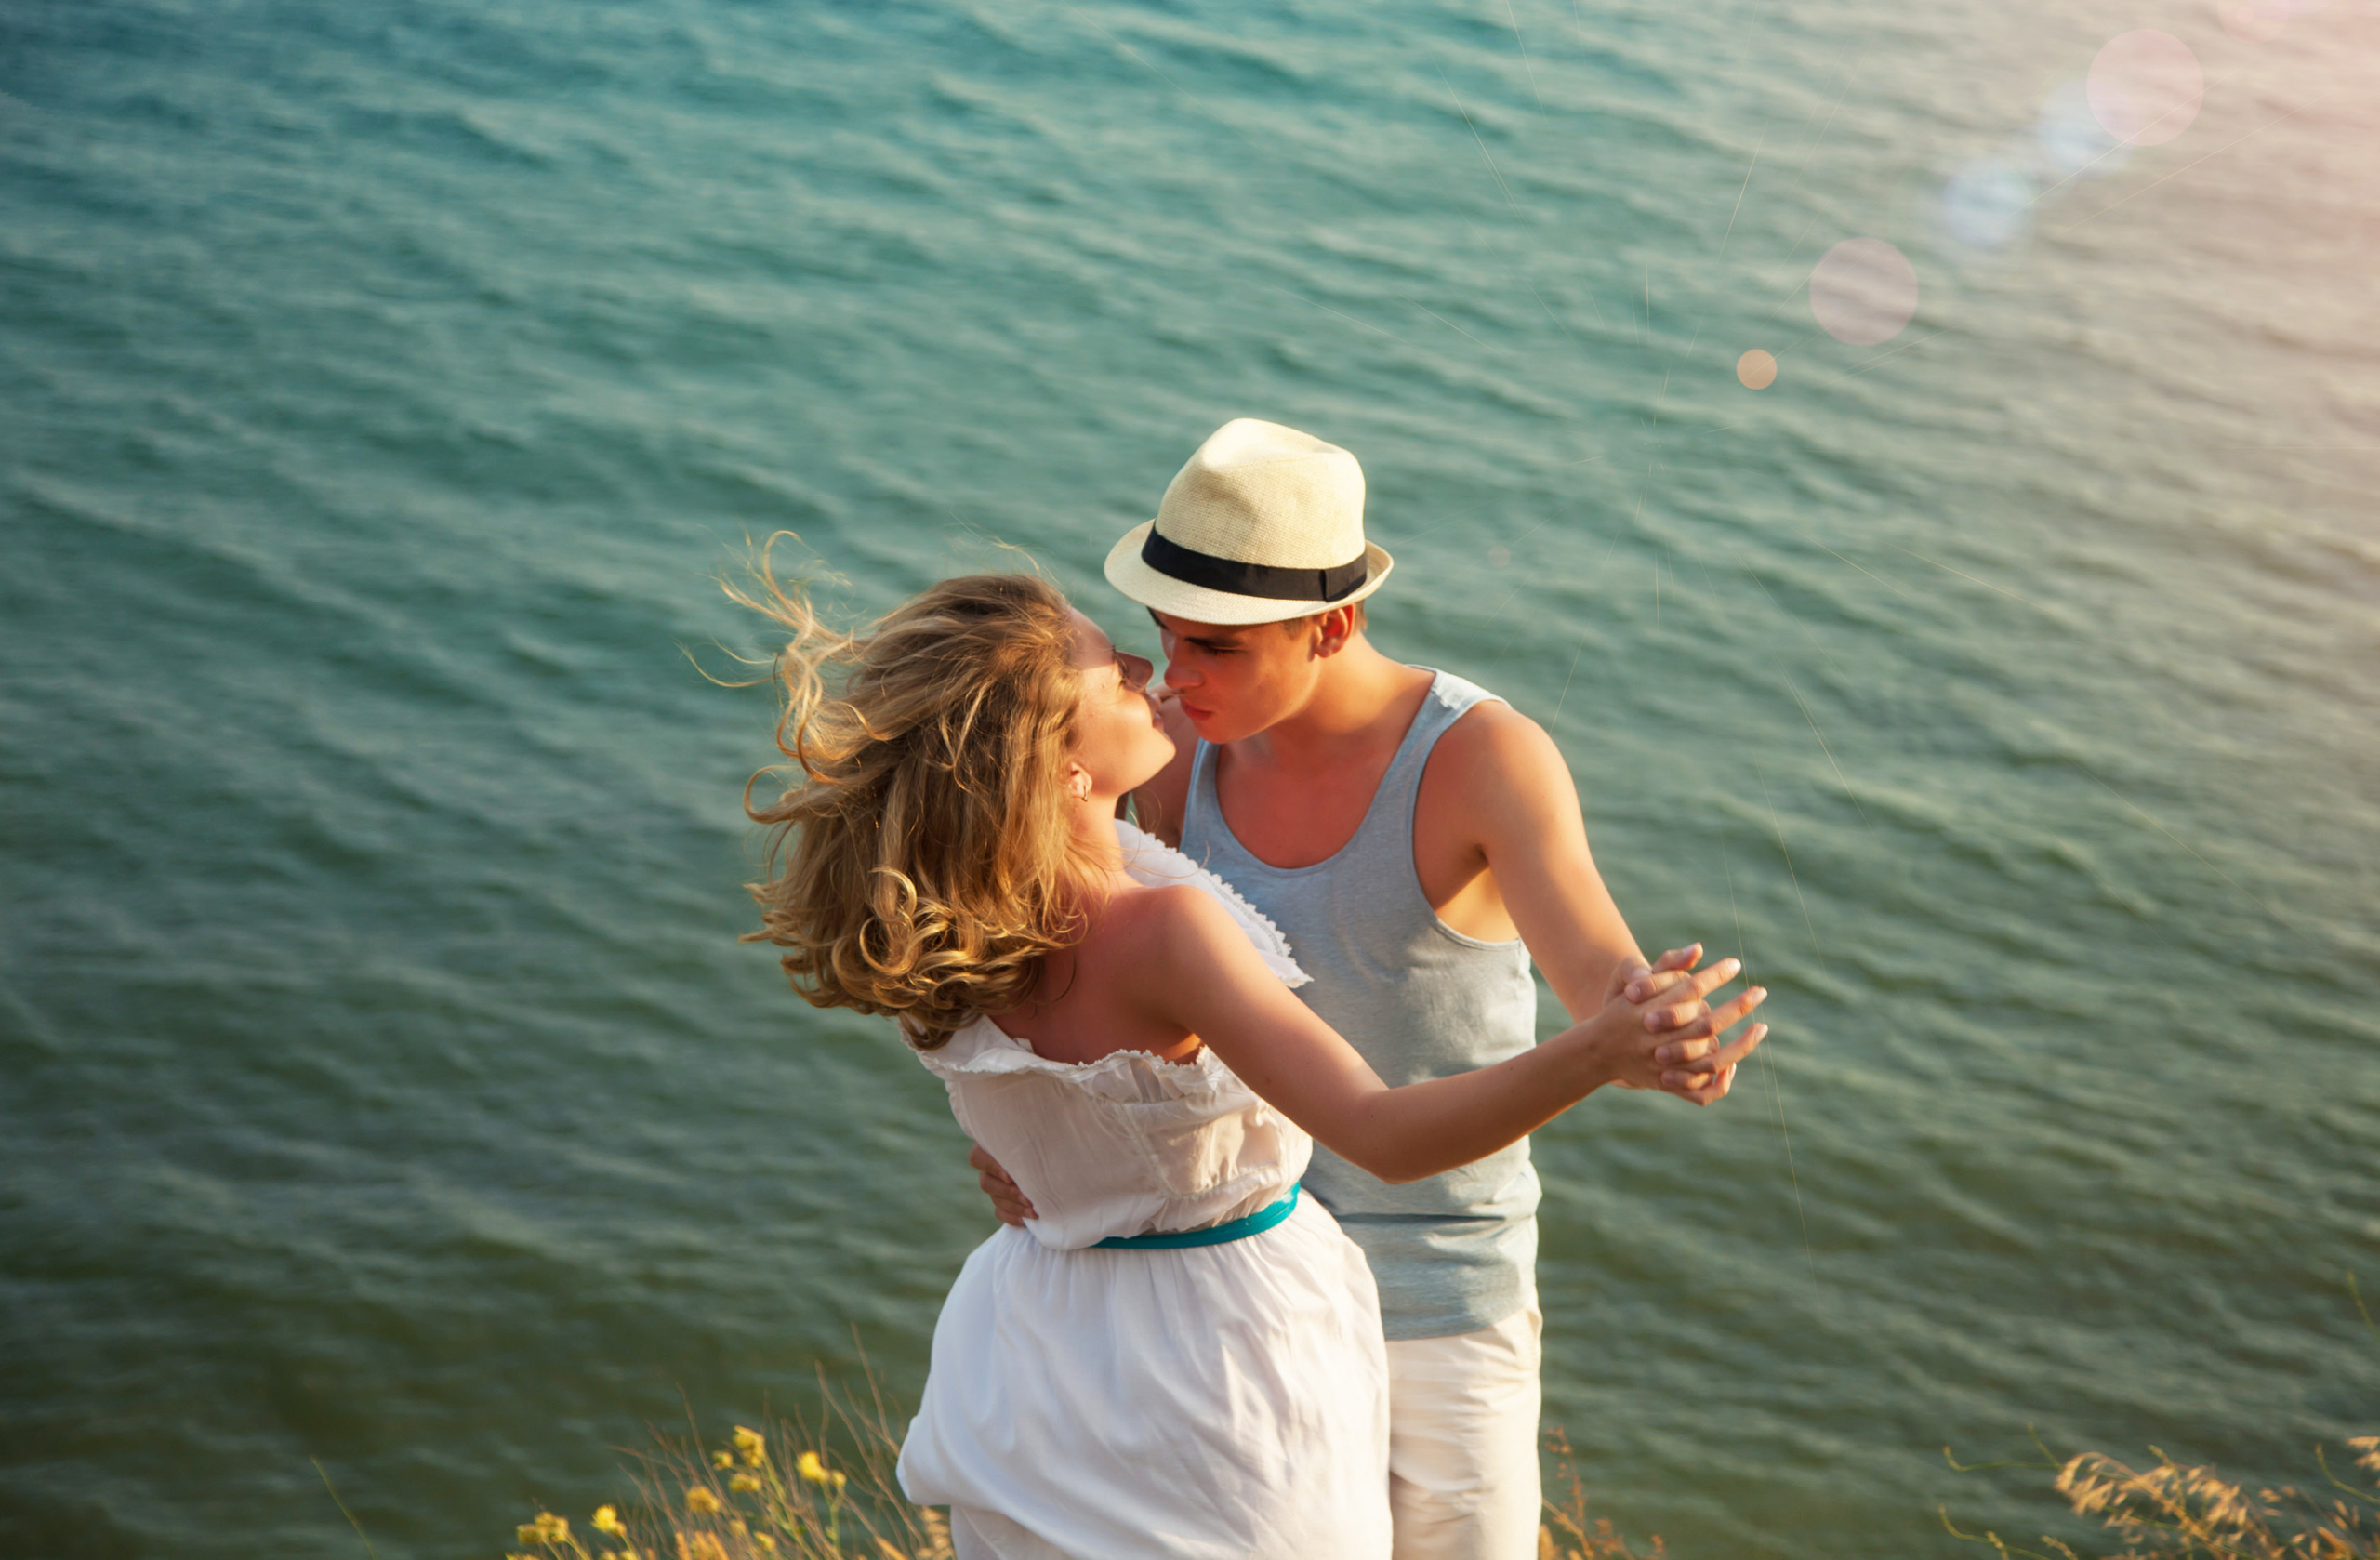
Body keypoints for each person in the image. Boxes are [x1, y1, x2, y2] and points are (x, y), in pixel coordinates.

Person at [736, 565, 1766, 1560]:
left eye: (1198, 643)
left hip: (1040, 1345)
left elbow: (1070, 1075)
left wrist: (1065, 1174)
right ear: (1057, 765)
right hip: (1233, 1352)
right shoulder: (1165, 919)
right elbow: (1372, 1128)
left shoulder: (953, 917)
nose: (1157, 672)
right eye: (1124, 662)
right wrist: (1593, 1053)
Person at [967, 417, 1771, 1560]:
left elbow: (1606, 982)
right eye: (1163, 636)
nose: (1176, 680)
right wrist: (1041, 1147)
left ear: (1332, 624)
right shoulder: (1175, 761)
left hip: (1434, 1301)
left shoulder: (1481, 759)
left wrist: (1663, 1031)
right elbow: (1093, 980)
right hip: (1234, 1305)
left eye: (1217, 647)